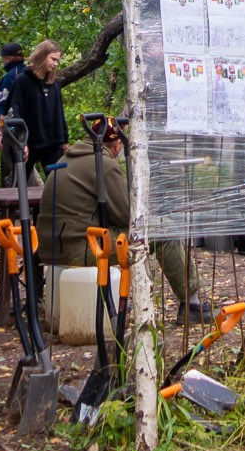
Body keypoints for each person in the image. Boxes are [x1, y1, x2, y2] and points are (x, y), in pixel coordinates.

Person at [42, 119, 203, 319]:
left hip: (53, 246)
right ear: (118, 144)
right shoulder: (104, 164)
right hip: (80, 247)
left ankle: (134, 297)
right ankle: (192, 304)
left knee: (139, 233)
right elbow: (129, 217)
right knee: (163, 230)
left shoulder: (68, 158)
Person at [4, 39, 66, 182]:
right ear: (43, 55)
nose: (56, 63)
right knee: (20, 184)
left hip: (52, 143)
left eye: (58, 60)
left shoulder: (54, 82)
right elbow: (13, 112)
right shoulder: (23, 80)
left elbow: (59, 112)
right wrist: (21, 141)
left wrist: (64, 139)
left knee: (58, 184)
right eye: (53, 59)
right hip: (29, 142)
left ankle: (48, 205)